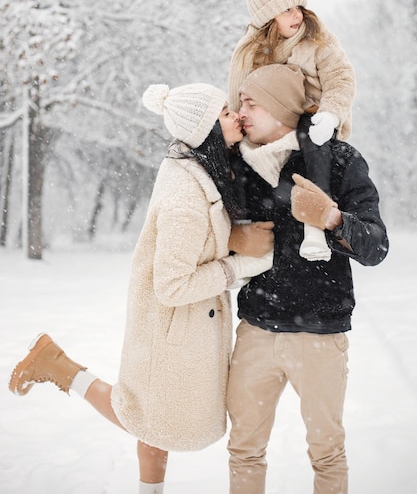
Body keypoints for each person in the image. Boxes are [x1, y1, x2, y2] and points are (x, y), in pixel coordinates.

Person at [8, 82, 274, 494]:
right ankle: (57, 366)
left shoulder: (199, 170)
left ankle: (56, 364)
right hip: (172, 325)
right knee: (149, 420)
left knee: (151, 422)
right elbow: (172, 284)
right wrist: (236, 266)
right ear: (205, 130)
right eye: (224, 111)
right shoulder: (187, 191)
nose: (235, 114)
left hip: (176, 326)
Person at [226, 63, 389, 494]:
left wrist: (333, 218)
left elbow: (376, 246)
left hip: (319, 333)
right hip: (255, 330)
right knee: (243, 449)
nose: (240, 111)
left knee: (327, 452)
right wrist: (233, 239)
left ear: (280, 109)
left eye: (250, 103)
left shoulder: (338, 160)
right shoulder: (236, 163)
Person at [228, 0, 356, 262]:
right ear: (267, 17)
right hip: (271, 127)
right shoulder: (252, 50)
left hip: (314, 118)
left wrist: (330, 112)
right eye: (286, 10)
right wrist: (236, 128)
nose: (297, 15)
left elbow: (340, 76)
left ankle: (315, 225)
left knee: (309, 139)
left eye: (297, 6)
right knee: (239, 164)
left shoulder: (317, 39)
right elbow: (238, 90)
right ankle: (244, 241)